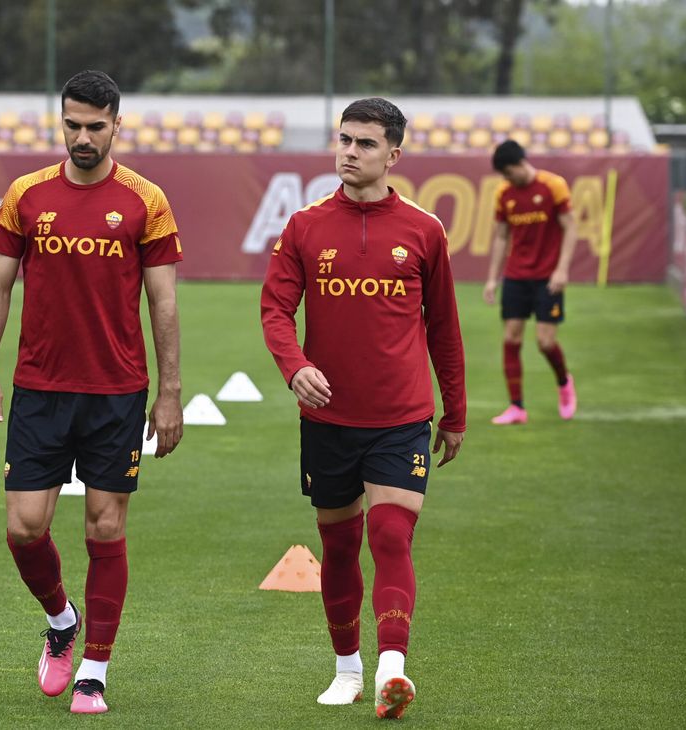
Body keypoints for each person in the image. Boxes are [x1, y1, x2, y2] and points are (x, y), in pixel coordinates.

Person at [0, 70, 183, 716]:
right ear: (60, 123)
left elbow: (163, 301)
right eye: (72, 125)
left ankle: (94, 669)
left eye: (95, 126)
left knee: (105, 524)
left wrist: (169, 391)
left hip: (116, 391)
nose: (82, 137)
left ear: (118, 124)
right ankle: (62, 620)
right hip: (39, 388)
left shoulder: (146, 200)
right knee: (23, 527)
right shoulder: (26, 195)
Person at [261, 97, 466, 720]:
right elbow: (275, 310)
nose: (349, 151)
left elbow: (445, 331)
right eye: (344, 140)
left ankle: (391, 667)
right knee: (341, 544)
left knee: (389, 532)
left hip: (401, 415)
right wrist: (296, 369)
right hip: (328, 419)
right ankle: (347, 669)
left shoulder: (425, 231)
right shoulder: (303, 226)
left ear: (394, 155)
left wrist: (453, 413)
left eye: (366, 143)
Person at [483, 139, 578, 424]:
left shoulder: (554, 186)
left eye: (507, 173)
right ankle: (517, 407)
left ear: (516, 165)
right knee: (511, 338)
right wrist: (492, 279)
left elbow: (571, 227)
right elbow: (501, 236)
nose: (506, 179)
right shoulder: (504, 193)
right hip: (516, 276)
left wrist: (562, 270)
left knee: (545, 343)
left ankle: (564, 383)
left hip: (547, 277)